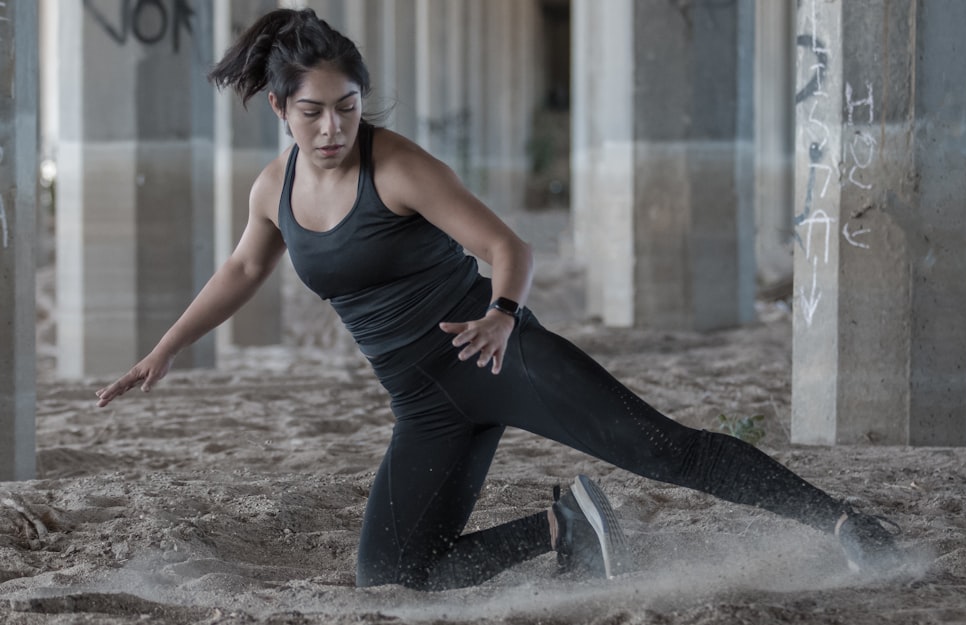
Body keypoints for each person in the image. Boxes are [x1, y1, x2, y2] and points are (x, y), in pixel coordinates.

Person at [96, 8, 901, 590]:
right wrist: (163, 350)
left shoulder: (397, 166)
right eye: (313, 112)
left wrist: (503, 314)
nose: (333, 127)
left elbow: (506, 246)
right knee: (391, 572)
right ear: (280, 108)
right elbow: (241, 270)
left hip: (497, 353)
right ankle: (565, 526)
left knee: (664, 449)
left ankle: (844, 521)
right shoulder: (275, 187)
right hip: (425, 403)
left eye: (347, 107)